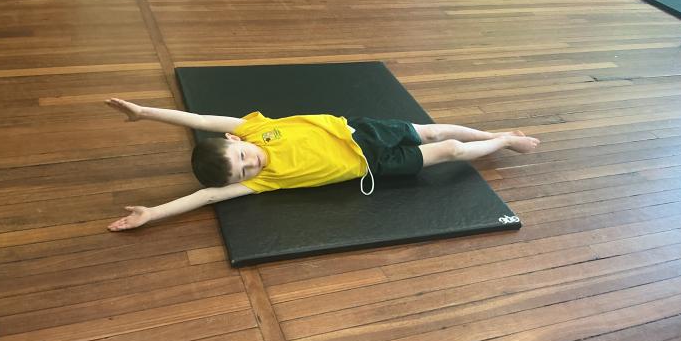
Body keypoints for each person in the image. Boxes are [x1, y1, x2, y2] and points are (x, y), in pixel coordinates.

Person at [104, 98, 540, 231]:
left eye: (242, 157)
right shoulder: (266, 181)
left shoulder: (254, 128)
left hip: (364, 130)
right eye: (244, 171)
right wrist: (152, 214)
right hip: (374, 164)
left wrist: (144, 113)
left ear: (235, 140)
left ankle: (491, 133)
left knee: (431, 131)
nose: (251, 164)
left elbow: (199, 120)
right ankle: (504, 142)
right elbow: (206, 196)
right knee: (449, 151)